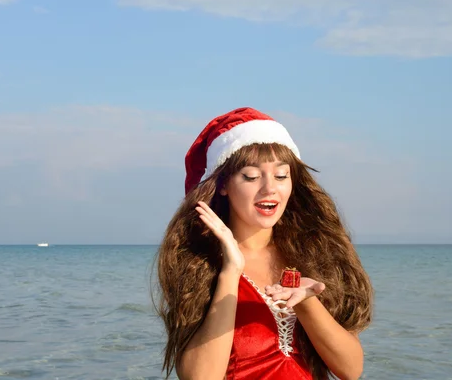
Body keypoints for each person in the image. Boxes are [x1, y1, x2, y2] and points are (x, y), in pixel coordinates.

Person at [154, 107, 373, 380]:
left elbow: (351, 370)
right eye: (251, 176)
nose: (270, 189)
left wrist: (307, 303)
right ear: (223, 184)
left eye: (281, 176)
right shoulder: (199, 262)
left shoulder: (316, 255)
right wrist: (231, 271)